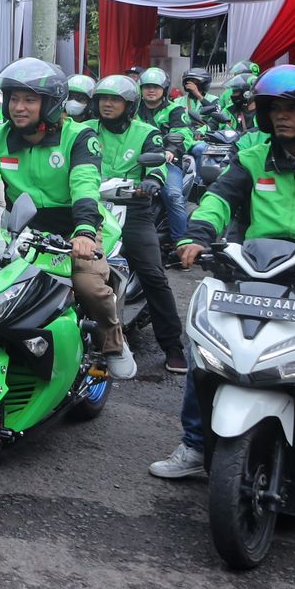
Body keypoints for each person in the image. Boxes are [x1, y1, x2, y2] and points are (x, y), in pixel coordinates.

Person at [152, 65, 295, 479]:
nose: (281, 116)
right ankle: (196, 444)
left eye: (293, 108)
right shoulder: (253, 157)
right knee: (211, 348)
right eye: (274, 109)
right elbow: (220, 197)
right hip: (259, 266)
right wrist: (196, 233)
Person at [0, 59, 136, 381]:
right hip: (19, 226)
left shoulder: (79, 136)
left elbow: (85, 188)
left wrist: (86, 233)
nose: (19, 107)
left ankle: (113, 340)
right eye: (14, 99)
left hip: (75, 225)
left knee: (88, 286)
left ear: (50, 103)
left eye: (29, 100)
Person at [85, 75, 185, 373]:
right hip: (93, 206)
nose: (107, 104)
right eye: (103, 98)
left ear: (130, 105)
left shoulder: (147, 132)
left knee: (153, 273)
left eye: (115, 100)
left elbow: (158, 167)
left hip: (134, 208)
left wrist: (152, 183)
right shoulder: (84, 130)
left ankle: (173, 346)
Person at [136, 67, 191, 244]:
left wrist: (170, 151)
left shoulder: (175, 110)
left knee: (173, 196)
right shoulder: (132, 109)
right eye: (147, 86)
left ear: (164, 90)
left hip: (167, 163)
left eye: (156, 87)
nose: (151, 90)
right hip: (135, 161)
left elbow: (184, 137)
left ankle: (180, 243)